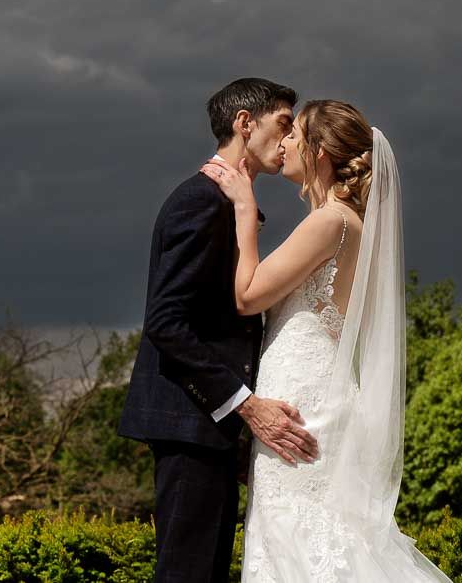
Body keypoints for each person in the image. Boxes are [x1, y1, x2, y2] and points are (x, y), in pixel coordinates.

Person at [199, 99, 452, 582]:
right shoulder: (344, 223)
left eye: (296, 135)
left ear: (319, 153)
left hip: (303, 403)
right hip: (313, 393)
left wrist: (245, 209)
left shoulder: (331, 222)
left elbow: (248, 296)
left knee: (298, 538)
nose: (286, 142)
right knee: (299, 538)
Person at [118, 77, 319, 583]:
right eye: (282, 123)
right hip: (190, 422)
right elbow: (165, 322)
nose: (290, 136)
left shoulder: (231, 202)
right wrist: (247, 405)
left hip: (212, 428)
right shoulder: (201, 201)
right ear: (244, 124)